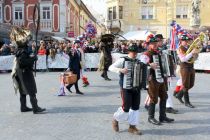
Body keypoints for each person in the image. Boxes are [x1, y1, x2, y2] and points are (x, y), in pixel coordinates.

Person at [10, 27, 46, 114]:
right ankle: (35, 108)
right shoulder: (23, 51)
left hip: (21, 72)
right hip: (25, 72)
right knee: (31, 90)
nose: (28, 42)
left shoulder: (20, 50)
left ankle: (23, 107)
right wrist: (33, 59)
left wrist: (32, 57)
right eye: (27, 41)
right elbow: (23, 62)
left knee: (23, 90)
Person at [140, 34, 174, 125]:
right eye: (152, 43)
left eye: (155, 43)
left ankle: (162, 116)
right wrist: (149, 65)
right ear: (148, 44)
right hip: (152, 78)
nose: (154, 44)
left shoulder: (159, 52)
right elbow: (140, 64)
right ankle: (150, 117)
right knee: (153, 98)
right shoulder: (146, 54)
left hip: (162, 78)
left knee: (164, 97)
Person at [109, 44, 142, 135]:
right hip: (125, 87)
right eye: (133, 52)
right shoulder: (123, 60)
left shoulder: (139, 61)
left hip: (136, 86)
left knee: (135, 107)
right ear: (129, 52)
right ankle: (116, 118)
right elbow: (110, 67)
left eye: (136, 52)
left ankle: (132, 127)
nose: (135, 54)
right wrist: (120, 70)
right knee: (126, 108)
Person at [175, 34, 199, 108]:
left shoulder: (189, 47)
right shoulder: (179, 48)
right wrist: (192, 53)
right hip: (184, 68)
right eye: (184, 40)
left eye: (187, 40)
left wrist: (196, 54)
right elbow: (183, 59)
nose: (186, 42)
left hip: (191, 67)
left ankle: (179, 95)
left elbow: (195, 57)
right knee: (185, 85)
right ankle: (187, 102)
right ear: (181, 41)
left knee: (191, 84)